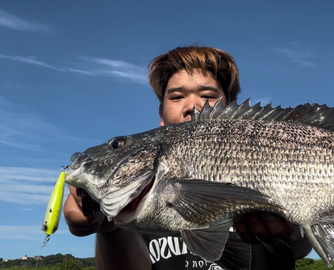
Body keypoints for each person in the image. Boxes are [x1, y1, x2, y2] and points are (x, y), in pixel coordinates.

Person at [63, 45, 312, 270]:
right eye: (177, 96)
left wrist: (292, 240)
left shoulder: (270, 153)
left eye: (208, 95)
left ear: (232, 111)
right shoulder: (138, 203)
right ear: (161, 113)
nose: (193, 105)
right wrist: (108, 228)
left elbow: (298, 247)